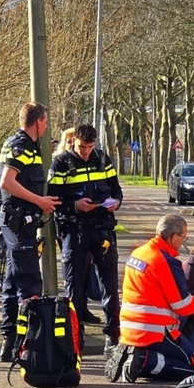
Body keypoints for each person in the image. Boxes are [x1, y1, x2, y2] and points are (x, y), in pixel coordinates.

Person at [106, 214, 194, 382]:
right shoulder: (166, 262)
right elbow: (182, 306)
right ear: (174, 237)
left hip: (129, 328)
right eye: (184, 237)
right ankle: (143, 361)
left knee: (191, 358)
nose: (184, 241)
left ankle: (135, 356)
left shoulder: (140, 252)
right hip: (154, 331)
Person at [47, 123, 123, 356]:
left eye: (90, 146)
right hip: (75, 230)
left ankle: (112, 335)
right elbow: (53, 200)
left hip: (102, 230)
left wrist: (116, 203)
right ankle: (75, 338)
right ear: (73, 142)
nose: (86, 151)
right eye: (82, 146)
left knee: (109, 284)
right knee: (75, 288)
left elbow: (116, 190)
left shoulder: (103, 159)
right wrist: (75, 206)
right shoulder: (61, 163)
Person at [0, 102, 60, 362]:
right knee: (29, 286)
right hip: (19, 223)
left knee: (12, 283)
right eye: (45, 122)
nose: (46, 126)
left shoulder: (20, 144)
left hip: (19, 223)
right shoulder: (21, 146)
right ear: (38, 122)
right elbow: (7, 182)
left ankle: (10, 343)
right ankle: (29, 347)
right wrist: (39, 201)